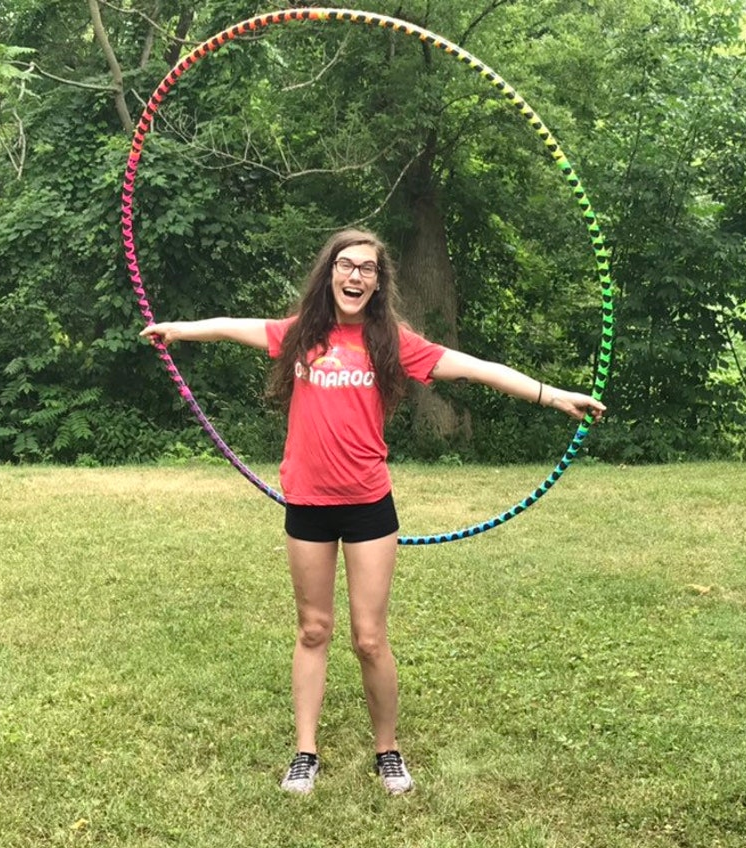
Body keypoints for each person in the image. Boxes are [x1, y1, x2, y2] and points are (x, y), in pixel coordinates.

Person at [141, 228, 604, 795]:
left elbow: (474, 366)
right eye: (345, 265)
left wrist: (552, 395)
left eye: (367, 269)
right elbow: (234, 327)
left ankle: (387, 750)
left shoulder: (393, 341)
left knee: (369, 637)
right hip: (307, 503)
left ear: (379, 283)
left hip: (367, 506)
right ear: (329, 273)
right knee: (313, 629)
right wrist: (176, 331)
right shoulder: (301, 335)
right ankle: (305, 752)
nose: (354, 275)